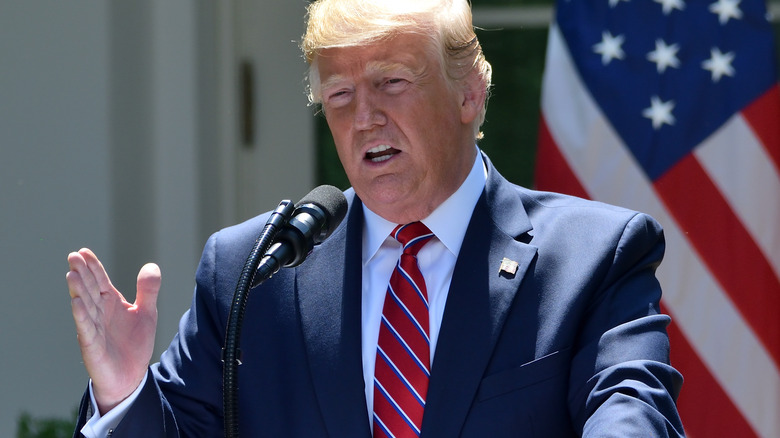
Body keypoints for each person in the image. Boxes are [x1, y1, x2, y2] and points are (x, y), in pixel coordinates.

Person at [66, 0, 685, 436]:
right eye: (340, 95)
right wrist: (124, 396)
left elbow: (633, 412)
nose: (364, 118)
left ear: (469, 93)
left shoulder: (593, 257)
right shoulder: (253, 270)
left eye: (392, 82)